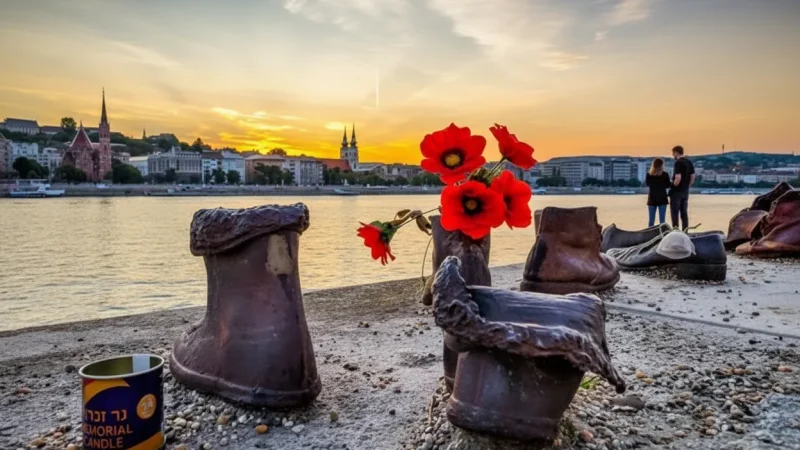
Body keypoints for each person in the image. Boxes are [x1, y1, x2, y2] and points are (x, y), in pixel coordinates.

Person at [669, 145, 695, 230]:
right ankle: (685, 231)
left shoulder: (678, 163)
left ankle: (676, 231)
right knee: (684, 213)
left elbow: (678, 178)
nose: (673, 155)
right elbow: (693, 176)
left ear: (676, 152)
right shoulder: (689, 162)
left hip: (676, 192)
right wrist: (687, 185)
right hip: (685, 191)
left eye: (673, 153)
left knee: (675, 213)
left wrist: (673, 185)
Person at [645, 158, 670, 226]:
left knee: (651, 221)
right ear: (662, 165)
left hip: (652, 199)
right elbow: (668, 185)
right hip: (662, 198)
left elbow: (647, 184)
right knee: (662, 221)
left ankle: (650, 235)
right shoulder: (665, 174)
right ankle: (662, 235)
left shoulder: (649, 174)